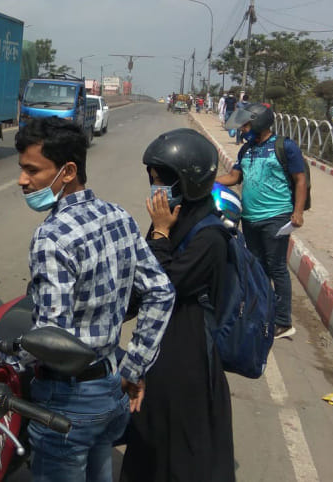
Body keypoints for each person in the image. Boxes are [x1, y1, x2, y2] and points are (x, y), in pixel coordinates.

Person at [0, 117, 176, 482]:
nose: (22, 180)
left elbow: (51, 338)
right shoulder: (118, 216)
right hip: (110, 387)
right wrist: (134, 367)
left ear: (68, 171)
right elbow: (161, 291)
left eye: (33, 170)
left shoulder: (52, 237)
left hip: (68, 401)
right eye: (21, 169)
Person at [120, 128, 235, 482]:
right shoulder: (173, 219)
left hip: (187, 347)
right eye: (153, 179)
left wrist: (159, 233)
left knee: (181, 435)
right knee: (149, 428)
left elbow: (164, 286)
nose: (156, 189)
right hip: (159, 340)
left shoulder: (210, 236)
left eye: (162, 180)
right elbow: (139, 278)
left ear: (188, 182)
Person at [217, 103, 307, 339]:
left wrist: (298, 212)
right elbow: (234, 176)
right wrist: (209, 182)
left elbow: (300, 180)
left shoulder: (284, 147)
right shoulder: (246, 150)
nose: (243, 129)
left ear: (259, 122)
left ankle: (283, 321)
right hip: (250, 217)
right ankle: (262, 312)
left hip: (276, 216)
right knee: (257, 266)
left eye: (246, 125)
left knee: (276, 267)